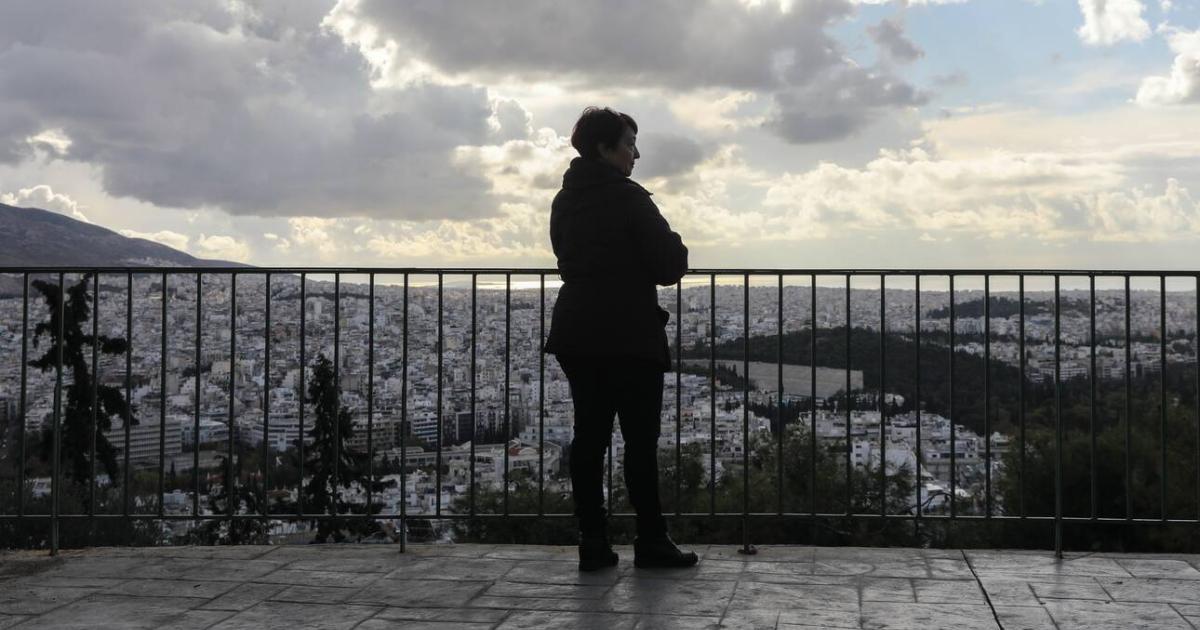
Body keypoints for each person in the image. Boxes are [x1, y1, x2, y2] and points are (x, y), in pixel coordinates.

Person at [543, 106, 697, 571]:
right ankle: (651, 539)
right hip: (629, 333)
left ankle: (592, 540)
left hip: (577, 330)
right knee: (639, 441)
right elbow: (670, 265)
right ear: (604, 148)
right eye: (629, 144)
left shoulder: (564, 200)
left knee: (588, 438)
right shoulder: (630, 199)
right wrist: (674, 242)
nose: (636, 154)